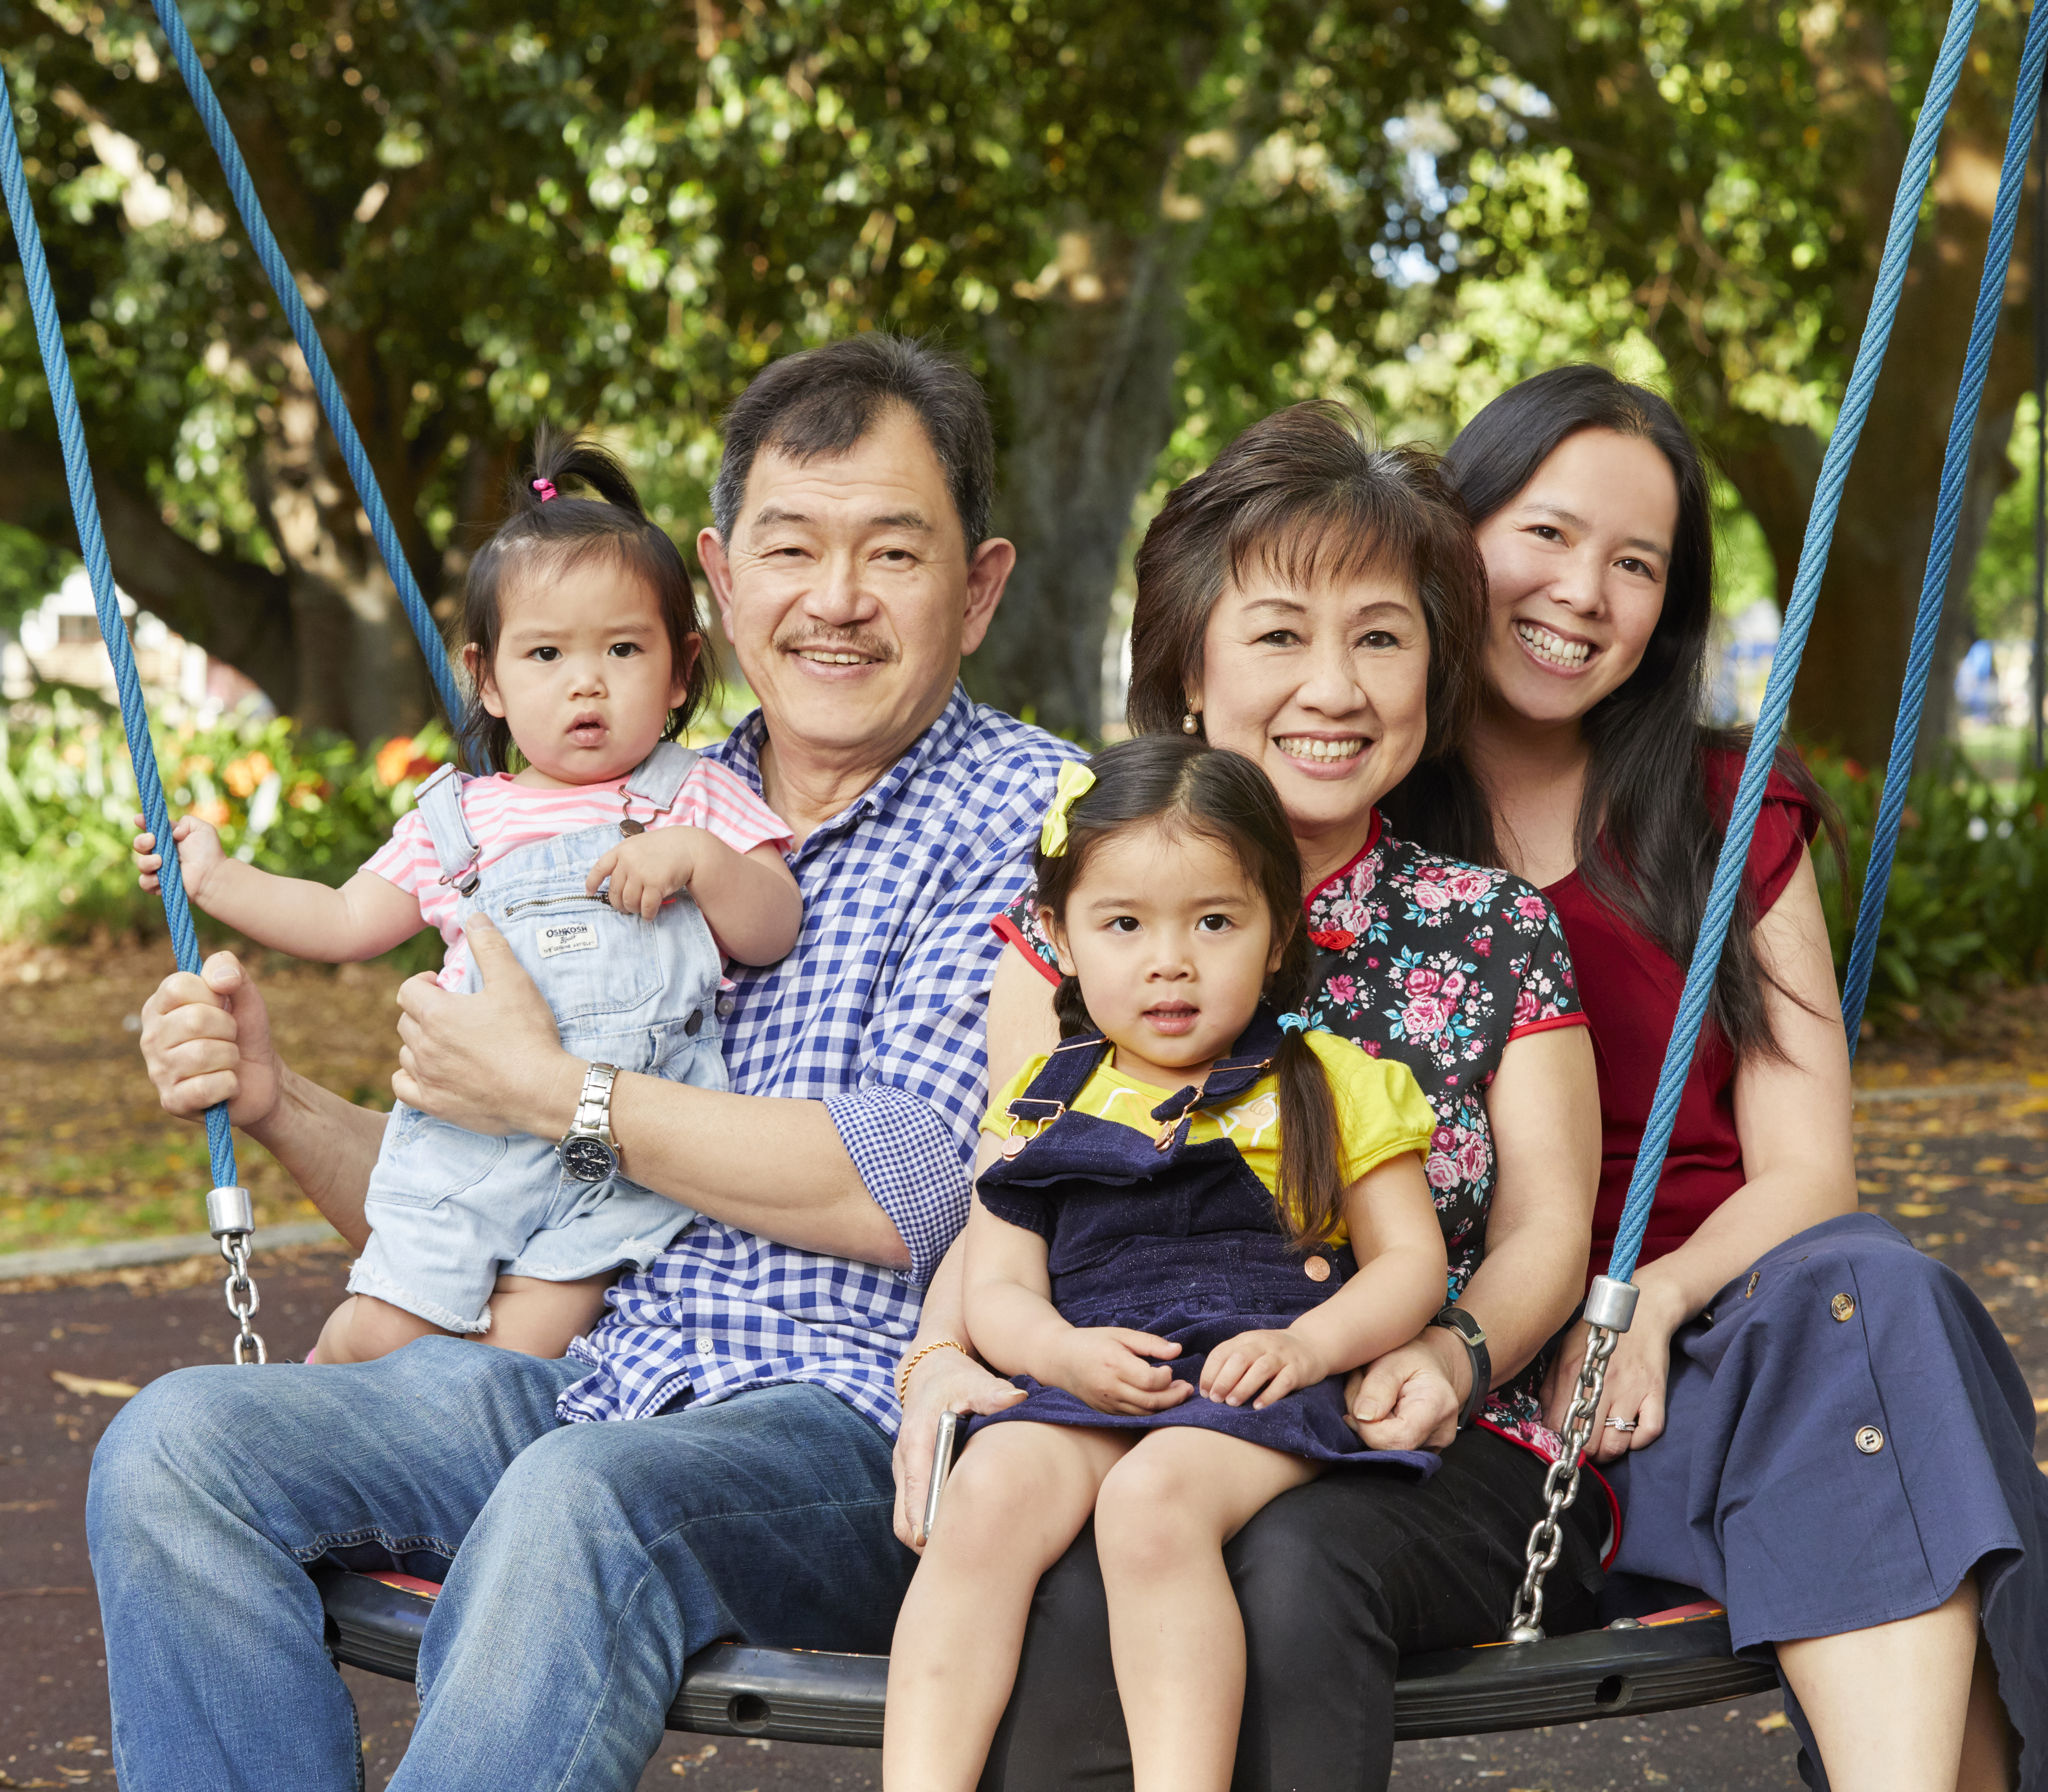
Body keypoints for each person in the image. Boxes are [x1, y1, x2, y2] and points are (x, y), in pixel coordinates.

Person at [87, 333, 1081, 1792]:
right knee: (179, 1449)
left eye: (894, 553)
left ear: (981, 586)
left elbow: (918, 1192)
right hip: (585, 1375)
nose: (839, 600)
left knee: (577, 1502)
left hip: (854, 1427)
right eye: (791, 548)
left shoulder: (1041, 819)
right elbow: (490, 1199)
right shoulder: (600, 789)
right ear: (722, 581)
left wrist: (562, 1093)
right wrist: (278, 1097)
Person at [894, 402, 1608, 1790]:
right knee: (1059, 1571)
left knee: (1281, 1562)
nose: (1334, 687)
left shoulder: (1491, 926)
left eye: (1381, 638)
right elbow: (1016, 1189)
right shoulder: (1065, 935)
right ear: (1191, 666)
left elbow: (1545, 1229)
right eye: (1280, 634)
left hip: (1415, 1423)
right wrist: (953, 1362)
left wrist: (1451, 1352)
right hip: (1124, 1394)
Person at [1413, 364, 2048, 1792]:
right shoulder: (1359, 797)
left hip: (1728, 1335)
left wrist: (1648, 1302)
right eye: (1545, 533)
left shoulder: (1729, 814)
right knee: (1893, 1372)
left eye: (1636, 564)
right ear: (1452, 528)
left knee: (1871, 1298)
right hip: (1482, 1367)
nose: (1583, 593)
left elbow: (1810, 1170)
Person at [130, 436, 802, 1363]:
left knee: (526, 1344)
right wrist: (214, 878)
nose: (586, 680)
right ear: (486, 678)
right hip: (469, 1139)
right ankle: (304, 1405)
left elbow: (774, 926)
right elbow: (342, 921)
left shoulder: (691, 798)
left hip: (622, 1151)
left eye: (622, 647)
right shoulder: (461, 820)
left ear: (682, 669)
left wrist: (702, 863)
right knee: (388, 1321)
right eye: (545, 653)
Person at [884, 737, 1452, 1791]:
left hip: (1261, 1390)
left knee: (1154, 1501)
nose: (1170, 960)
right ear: (1059, 938)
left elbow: (1412, 1265)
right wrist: (1060, 1350)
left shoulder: (1333, 1081)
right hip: (1097, 1378)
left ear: (1280, 932)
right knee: (994, 1488)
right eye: (1125, 925)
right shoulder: (1041, 1104)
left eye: (1215, 922)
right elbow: (998, 1287)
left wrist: (1307, 1344)